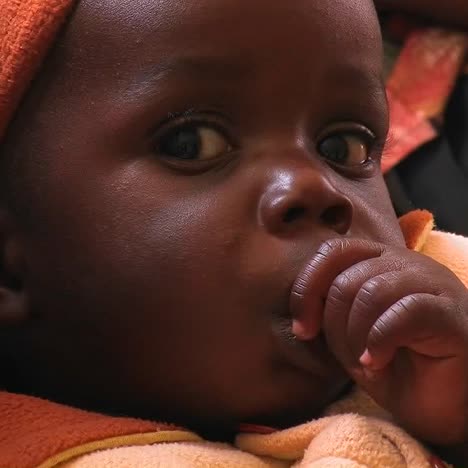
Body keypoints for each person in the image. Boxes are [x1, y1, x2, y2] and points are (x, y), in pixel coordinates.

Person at [0, 0, 467, 466]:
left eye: (343, 146)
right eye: (192, 143)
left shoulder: (439, 321)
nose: (313, 187)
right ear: (8, 264)